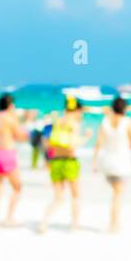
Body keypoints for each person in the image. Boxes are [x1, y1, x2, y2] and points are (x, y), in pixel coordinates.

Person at [94, 96, 131, 233]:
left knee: (115, 193)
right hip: (121, 162)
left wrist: (94, 161)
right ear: (125, 108)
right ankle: (114, 224)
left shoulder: (105, 121)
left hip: (107, 161)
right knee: (117, 195)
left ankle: (114, 223)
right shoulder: (127, 122)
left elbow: (99, 142)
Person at [41, 96, 88, 233]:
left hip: (55, 161)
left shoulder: (57, 121)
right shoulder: (74, 124)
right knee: (75, 195)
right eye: (81, 112)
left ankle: (44, 222)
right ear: (77, 110)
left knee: (58, 196)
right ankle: (74, 225)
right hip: (69, 161)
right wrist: (86, 137)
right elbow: (73, 146)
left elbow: (47, 143)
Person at [0, 93, 27, 226]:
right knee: (17, 188)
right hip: (8, 154)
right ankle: (9, 218)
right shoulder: (11, 118)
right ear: (10, 105)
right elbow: (20, 136)